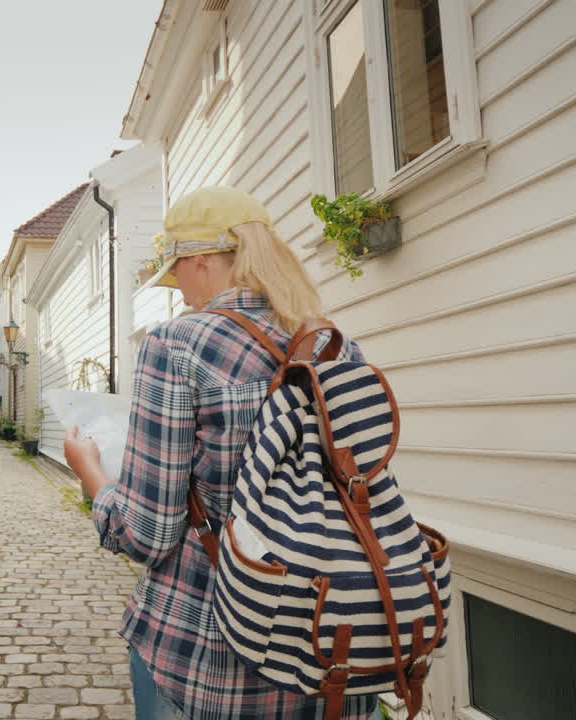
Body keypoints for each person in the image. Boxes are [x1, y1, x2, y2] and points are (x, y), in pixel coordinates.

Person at [63, 186, 379, 720]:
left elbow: (149, 533)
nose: (179, 292)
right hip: (332, 653)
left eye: (178, 273)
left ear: (203, 262)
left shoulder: (177, 345)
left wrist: (91, 472)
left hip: (210, 657)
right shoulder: (334, 345)